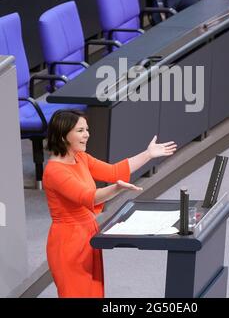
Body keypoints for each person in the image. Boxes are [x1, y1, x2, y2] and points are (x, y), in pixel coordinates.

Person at [43, 109, 177, 298]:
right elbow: (88, 196)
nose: (87, 134)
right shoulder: (54, 171)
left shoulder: (80, 157)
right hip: (69, 243)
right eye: (80, 130)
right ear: (63, 135)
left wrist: (148, 154)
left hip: (88, 235)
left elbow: (114, 171)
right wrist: (117, 189)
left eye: (87, 129)